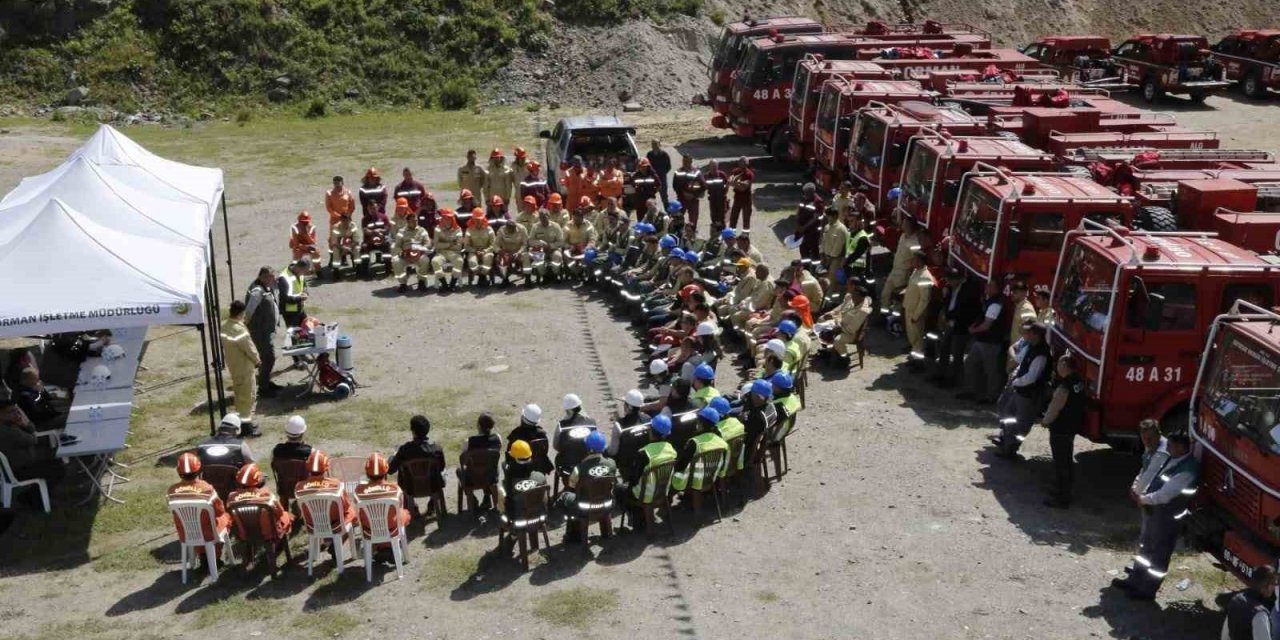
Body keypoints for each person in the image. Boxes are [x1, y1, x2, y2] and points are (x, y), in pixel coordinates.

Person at [1112, 432, 1199, 600]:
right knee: (1145, 548)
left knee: (1159, 555)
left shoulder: (1187, 470)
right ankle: (1135, 580)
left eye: (1171, 445)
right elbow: (1151, 473)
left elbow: (1166, 494)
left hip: (1167, 518)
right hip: (1155, 512)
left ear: (1181, 447)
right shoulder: (1174, 459)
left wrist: (1142, 499)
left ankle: (1147, 591)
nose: (1167, 448)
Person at [991, 322, 1051, 457]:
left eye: (1028, 333)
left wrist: (1016, 382)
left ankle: (1011, 448)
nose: (1025, 336)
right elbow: (1019, 360)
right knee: (1008, 413)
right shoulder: (1031, 347)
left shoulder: (1041, 354)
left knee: (1022, 425)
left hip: (1029, 395)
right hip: (1020, 391)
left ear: (1036, 335)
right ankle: (1006, 442)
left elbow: (1032, 377)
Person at [554, 431, 617, 543]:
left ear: (588, 448)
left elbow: (571, 485)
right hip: (607, 504)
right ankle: (606, 533)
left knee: (564, 498)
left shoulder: (579, 468)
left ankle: (573, 534)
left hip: (584, 509)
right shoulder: (611, 464)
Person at [1040, 355, 1085, 508]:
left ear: (1065, 365)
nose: (1057, 367)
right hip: (1071, 426)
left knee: (1061, 462)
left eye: (1059, 364)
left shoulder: (1064, 386)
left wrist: (1045, 421)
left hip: (1060, 427)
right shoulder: (1078, 381)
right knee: (1066, 460)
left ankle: (1062, 497)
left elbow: (1055, 406)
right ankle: (1064, 491)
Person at [617, 413, 677, 526]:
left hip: (646, 494)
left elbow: (634, 479)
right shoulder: (671, 449)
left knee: (620, 489)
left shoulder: (644, 453)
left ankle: (636, 519)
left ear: (651, 431)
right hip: (664, 490)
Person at [960, 278, 1011, 405]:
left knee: (991, 370)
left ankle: (992, 396)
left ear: (996, 289)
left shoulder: (995, 304)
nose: (986, 287)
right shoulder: (990, 301)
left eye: (990, 285)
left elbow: (987, 325)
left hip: (990, 342)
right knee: (970, 363)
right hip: (982, 340)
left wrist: (973, 330)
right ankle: (971, 390)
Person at [166, 453, 231, 552]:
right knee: (227, 517)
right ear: (198, 469)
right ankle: (216, 556)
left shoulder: (171, 491)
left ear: (178, 472)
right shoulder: (207, 489)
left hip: (186, 533)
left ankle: (202, 555)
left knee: (198, 524)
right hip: (209, 534)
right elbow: (220, 511)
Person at [353, 452, 413, 560]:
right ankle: (389, 547)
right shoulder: (395, 489)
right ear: (385, 472)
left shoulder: (358, 491)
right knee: (404, 514)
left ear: (367, 473)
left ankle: (378, 548)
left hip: (370, 530)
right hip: (391, 529)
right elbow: (399, 509)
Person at [388, 415, 446, 515]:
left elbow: (390, 469)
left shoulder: (404, 450)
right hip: (433, 485)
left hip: (410, 487)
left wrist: (393, 456)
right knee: (438, 475)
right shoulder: (436, 449)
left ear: (413, 430)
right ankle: (432, 504)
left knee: (402, 475)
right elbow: (441, 468)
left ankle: (412, 507)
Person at [932, 268, 981, 387]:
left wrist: (950, 317)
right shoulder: (950, 288)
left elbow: (965, 311)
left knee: (957, 354)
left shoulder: (968, 292)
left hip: (961, 327)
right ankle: (941, 373)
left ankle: (953, 379)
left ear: (957, 279)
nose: (948, 282)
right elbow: (947, 304)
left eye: (950, 280)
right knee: (944, 349)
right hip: (950, 324)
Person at [0, 396, 65, 485]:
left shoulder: (9, 425)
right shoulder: (9, 431)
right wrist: (24, 426)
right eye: (10, 412)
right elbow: (33, 439)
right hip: (22, 469)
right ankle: (33, 496)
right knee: (59, 467)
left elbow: (32, 431)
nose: (16, 414)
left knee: (57, 457)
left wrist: (25, 426)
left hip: (22, 462)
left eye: (16, 411)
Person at [294, 449, 356, 540]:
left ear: (307, 466)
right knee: (352, 512)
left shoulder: (299, 487)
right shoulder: (336, 484)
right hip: (334, 524)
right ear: (326, 467)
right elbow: (345, 507)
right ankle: (339, 540)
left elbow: (300, 509)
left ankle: (323, 540)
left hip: (313, 525)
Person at [227, 463, 295, 541]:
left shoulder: (231, 497)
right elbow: (280, 513)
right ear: (258, 480)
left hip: (245, 534)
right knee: (287, 515)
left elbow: (231, 517)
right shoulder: (267, 495)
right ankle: (278, 544)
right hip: (269, 533)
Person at [221, 301, 261, 430]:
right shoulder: (239, 329)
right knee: (248, 396)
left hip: (234, 365)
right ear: (241, 313)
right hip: (244, 367)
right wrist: (257, 360)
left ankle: (242, 421)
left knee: (239, 395)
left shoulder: (225, 326)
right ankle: (246, 426)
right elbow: (249, 348)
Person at [671, 407, 729, 493]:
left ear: (701, 423)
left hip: (694, 481)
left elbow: (682, 464)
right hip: (712, 477)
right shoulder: (722, 442)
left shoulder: (694, 442)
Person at [244, 266, 282, 398]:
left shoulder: (266, 287)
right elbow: (248, 312)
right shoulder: (257, 291)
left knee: (265, 358)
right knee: (268, 358)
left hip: (267, 330)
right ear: (262, 277)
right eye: (271, 277)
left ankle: (265, 382)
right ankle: (263, 389)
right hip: (260, 331)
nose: (273, 280)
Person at [818, 281, 872, 365]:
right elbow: (842, 312)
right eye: (853, 294)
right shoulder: (854, 301)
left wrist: (838, 329)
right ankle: (828, 350)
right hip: (841, 324)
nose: (852, 297)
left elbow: (851, 329)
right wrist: (832, 316)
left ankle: (844, 359)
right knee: (822, 324)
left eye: (855, 295)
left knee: (837, 340)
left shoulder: (862, 311)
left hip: (851, 333)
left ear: (861, 297)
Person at [1221, 565, 1276, 640]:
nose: (1274, 588)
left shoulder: (1236, 599)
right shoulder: (1260, 615)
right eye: (1273, 583)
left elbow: (1225, 633)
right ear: (1263, 586)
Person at [498, 440, 548, 519]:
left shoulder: (509, 481)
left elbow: (507, 497)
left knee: (500, 490)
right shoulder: (540, 476)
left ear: (513, 459)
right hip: (538, 513)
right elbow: (544, 499)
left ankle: (503, 515)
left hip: (516, 515)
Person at [880, 216, 921, 313]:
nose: (902, 225)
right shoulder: (903, 236)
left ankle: (894, 321)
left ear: (910, 226)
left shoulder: (915, 242)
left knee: (898, 298)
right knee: (885, 294)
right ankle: (884, 315)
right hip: (894, 270)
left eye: (905, 224)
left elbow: (916, 260)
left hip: (903, 274)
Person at [903, 249, 936, 362]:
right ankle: (914, 355)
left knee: (918, 339)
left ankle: (918, 361)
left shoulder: (925, 277)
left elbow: (924, 300)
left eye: (915, 259)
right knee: (912, 337)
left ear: (921, 261)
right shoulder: (916, 272)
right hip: (909, 308)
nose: (912, 261)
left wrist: (916, 316)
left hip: (916, 312)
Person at [392, 212, 432, 293]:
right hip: (406, 255)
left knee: (425, 259)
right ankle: (403, 284)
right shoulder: (401, 231)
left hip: (418, 254)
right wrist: (401, 252)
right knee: (396, 260)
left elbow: (428, 243)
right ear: (408, 222)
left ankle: (421, 282)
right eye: (413, 221)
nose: (415, 222)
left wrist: (422, 248)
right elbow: (397, 245)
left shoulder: (422, 230)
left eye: (416, 220)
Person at [741, 379, 778, 468]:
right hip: (758, 446)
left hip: (746, 453)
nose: (749, 395)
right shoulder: (771, 407)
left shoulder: (756, 417)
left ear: (758, 396)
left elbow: (747, 437)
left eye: (752, 393)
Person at [507, 404, 553, 473]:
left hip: (520, 472)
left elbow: (509, 455)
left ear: (522, 418)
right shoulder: (542, 435)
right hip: (539, 469)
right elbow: (544, 452)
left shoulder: (516, 435)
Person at [431, 209, 464, 292]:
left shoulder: (458, 229)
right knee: (435, 261)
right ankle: (444, 284)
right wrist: (450, 244)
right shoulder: (438, 229)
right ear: (442, 218)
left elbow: (459, 246)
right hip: (441, 253)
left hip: (454, 253)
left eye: (449, 218)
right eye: (445, 218)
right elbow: (436, 244)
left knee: (459, 261)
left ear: (452, 218)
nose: (447, 220)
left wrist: (443, 244)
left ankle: (452, 284)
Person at [794, 183, 825, 265]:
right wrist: (797, 224)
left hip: (813, 232)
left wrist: (803, 227)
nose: (805, 195)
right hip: (802, 231)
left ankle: (815, 269)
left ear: (812, 192)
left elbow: (815, 218)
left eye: (807, 193)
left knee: (814, 250)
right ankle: (805, 267)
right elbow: (798, 211)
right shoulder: (804, 199)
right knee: (803, 249)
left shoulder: (818, 202)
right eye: (804, 193)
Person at [672, 155, 705, 230]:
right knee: (678, 218)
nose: (685, 163)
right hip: (681, 199)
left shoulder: (697, 172)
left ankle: (692, 234)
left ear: (691, 161)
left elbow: (703, 186)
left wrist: (694, 195)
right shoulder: (678, 172)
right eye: (684, 161)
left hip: (693, 200)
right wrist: (683, 193)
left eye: (687, 161)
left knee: (693, 220)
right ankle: (678, 233)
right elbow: (675, 186)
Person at [464, 208, 496, 286]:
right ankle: (482, 277)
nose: (478, 221)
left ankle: (483, 277)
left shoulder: (489, 229)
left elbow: (494, 244)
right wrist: (475, 251)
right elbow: (466, 246)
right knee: (472, 262)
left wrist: (485, 251)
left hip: (486, 251)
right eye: (476, 219)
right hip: (474, 251)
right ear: (473, 219)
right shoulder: (469, 230)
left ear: (483, 219)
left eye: (480, 219)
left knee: (488, 258)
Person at [818, 207, 848, 290]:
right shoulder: (827, 227)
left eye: (828, 216)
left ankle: (833, 300)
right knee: (824, 281)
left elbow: (838, 247)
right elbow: (823, 241)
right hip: (826, 258)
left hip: (835, 260)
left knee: (832, 281)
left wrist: (829, 260)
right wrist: (822, 255)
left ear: (835, 216)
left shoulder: (841, 229)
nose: (827, 218)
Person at [279, 258, 310, 330]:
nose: (304, 274)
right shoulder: (284, 278)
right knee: (294, 335)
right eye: (304, 271)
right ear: (299, 268)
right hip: (290, 313)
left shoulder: (300, 273)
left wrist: (305, 292)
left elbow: (303, 284)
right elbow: (284, 298)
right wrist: (300, 298)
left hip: (300, 309)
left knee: (306, 330)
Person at [325, 175, 356, 245]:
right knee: (333, 238)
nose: (337, 186)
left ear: (342, 183)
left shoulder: (348, 192)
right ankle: (332, 254)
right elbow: (328, 208)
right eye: (335, 184)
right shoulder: (329, 193)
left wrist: (347, 216)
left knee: (349, 236)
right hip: (334, 219)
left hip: (347, 219)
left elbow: (352, 206)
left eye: (338, 184)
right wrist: (338, 216)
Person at [728, 157, 755, 230]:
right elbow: (730, 181)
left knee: (746, 220)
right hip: (737, 199)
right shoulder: (735, 171)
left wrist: (735, 183)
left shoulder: (749, 174)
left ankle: (745, 237)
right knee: (733, 218)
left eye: (744, 164)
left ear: (747, 164)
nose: (742, 165)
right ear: (739, 163)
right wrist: (738, 183)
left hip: (747, 200)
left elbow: (743, 188)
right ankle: (731, 235)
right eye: (741, 163)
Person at [647, 140, 673, 208]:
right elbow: (647, 166)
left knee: (664, 197)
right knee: (651, 197)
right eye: (652, 144)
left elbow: (669, 166)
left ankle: (668, 212)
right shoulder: (649, 154)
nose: (654, 146)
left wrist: (663, 173)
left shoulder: (664, 154)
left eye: (655, 144)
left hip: (662, 179)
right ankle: (652, 213)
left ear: (659, 144)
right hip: (652, 179)